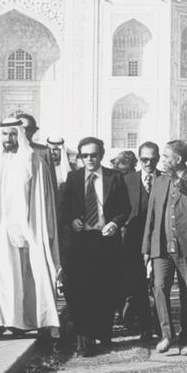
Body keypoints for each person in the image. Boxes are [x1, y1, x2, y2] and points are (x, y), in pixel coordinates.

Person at [0, 117, 60, 338]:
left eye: (13, 134)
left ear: (20, 135)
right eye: (5, 134)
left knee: (23, 278)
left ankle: (22, 321)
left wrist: (38, 231)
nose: (9, 139)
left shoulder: (33, 162)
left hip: (26, 232)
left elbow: (43, 201)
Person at [143, 139, 187, 356]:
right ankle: (167, 334)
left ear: (178, 159)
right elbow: (151, 216)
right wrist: (147, 246)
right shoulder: (159, 181)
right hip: (162, 247)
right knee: (159, 288)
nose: (162, 161)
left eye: (166, 157)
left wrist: (178, 180)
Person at [58, 137, 129, 355]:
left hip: (105, 241)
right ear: (80, 156)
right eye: (85, 155)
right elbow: (63, 207)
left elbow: (125, 207)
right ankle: (83, 337)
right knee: (79, 290)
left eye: (94, 155)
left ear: (101, 155)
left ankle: (103, 331)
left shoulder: (114, 177)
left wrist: (115, 224)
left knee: (105, 289)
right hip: (80, 242)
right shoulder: (73, 178)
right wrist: (72, 220)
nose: (89, 159)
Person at [121, 142, 159, 341]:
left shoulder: (165, 179)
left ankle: (162, 329)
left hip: (159, 239)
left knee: (159, 285)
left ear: (158, 158)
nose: (149, 163)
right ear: (139, 159)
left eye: (153, 159)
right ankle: (145, 328)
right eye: (144, 159)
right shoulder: (127, 180)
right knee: (137, 286)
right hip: (133, 241)